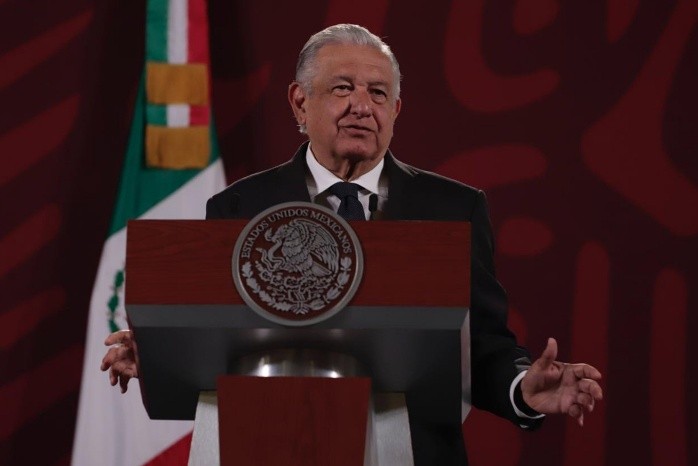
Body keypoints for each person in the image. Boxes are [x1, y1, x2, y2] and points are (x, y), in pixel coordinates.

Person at [102, 24, 603, 465]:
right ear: (300, 102)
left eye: (378, 93)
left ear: (396, 109)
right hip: (270, 445)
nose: (362, 106)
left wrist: (521, 388)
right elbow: (218, 338)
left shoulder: (454, 208)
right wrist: (160, 350)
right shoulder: (238, 206)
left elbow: (481, 344)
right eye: (342, 88)